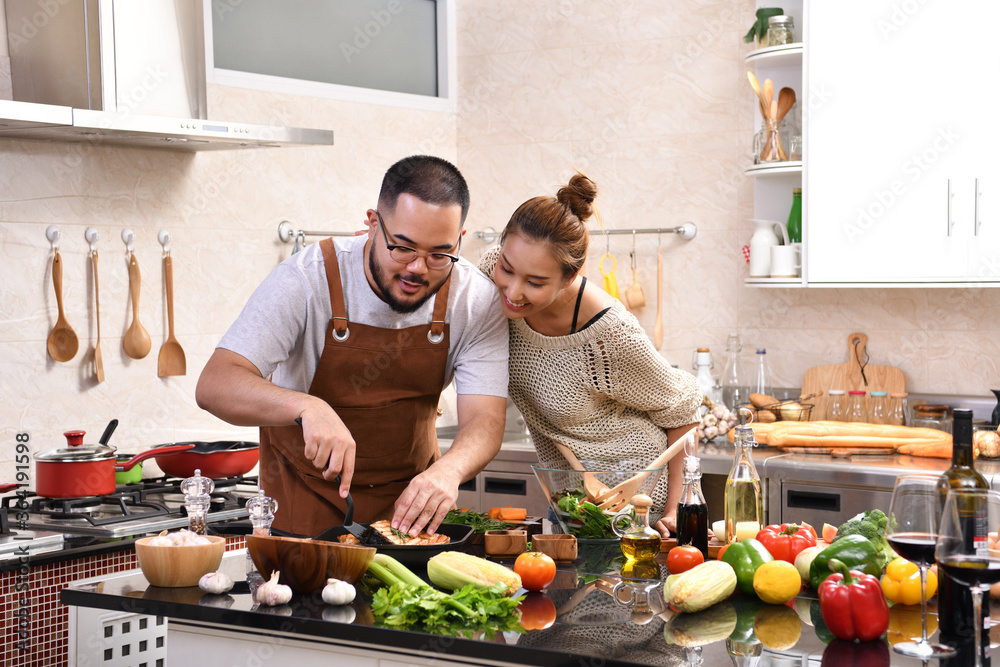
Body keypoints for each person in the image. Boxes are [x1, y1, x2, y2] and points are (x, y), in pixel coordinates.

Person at [197, 155, 509, 537]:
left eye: (439, 255)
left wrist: (449, 471)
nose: (418, 269)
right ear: (373, 224)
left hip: (411, 507)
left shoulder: (476, 299)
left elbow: (485, 420)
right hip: (304, 501)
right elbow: (215, 384)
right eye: (403, 247)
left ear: (459, 241)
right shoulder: (306, 279)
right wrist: (306, 406)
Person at [478, 173, 700, 536]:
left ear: (571, 276)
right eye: (507, 268)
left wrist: (679, 509)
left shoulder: (609, 333)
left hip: (635, 499)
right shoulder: (490, 272)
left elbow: (684, 408)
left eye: (535, 283)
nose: (513, 291)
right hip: (571, 499)